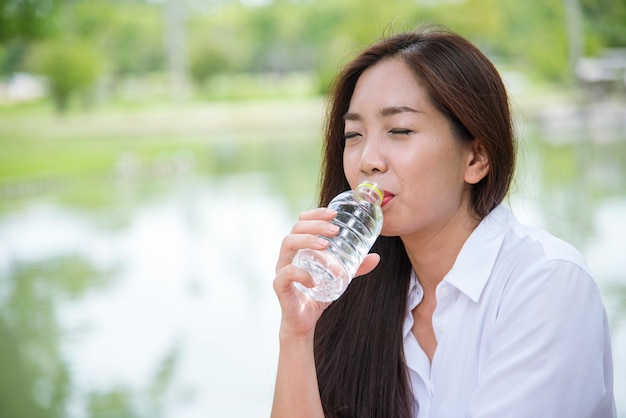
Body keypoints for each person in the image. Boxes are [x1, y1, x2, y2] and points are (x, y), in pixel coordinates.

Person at [271, 26, 616, 418]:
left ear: (476, 158)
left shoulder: (545, 283)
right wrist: (296, 334)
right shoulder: (360, 294)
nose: (368, 159)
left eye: (399, 130)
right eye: (353, 135)